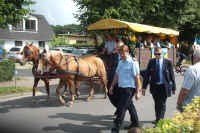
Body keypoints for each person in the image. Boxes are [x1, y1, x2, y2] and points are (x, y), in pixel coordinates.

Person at [109, 45, 141, 133]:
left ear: (127, 52)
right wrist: (112, 86)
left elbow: (137, 78)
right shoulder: (121, 62)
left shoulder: (133, 62)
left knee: (121, 108)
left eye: (122, 53)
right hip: (121, 88)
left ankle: (116, 128)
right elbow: (116, 75)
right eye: (120, 53)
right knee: (130, 106)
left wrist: (138, 92)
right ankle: (135, 123)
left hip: (129, 89)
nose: (121, 55)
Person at [142, 47, 176, 124]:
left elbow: (172, 75)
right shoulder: (151, 62)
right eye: (156, 54)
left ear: (163, 54)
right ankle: (157, 118)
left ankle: (160, 120)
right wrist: (144, 88)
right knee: (157, 103)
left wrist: (174, 87)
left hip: (164, 86)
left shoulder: (168, 62)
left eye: (159, 54)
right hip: (155, 86)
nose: (157, 55)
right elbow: (147, 75)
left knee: (162, 103)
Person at [176, 45, 200, 112]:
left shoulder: (192, 70)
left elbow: (184, 91)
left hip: (191, 107)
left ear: (195, 57)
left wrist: (179, 103)